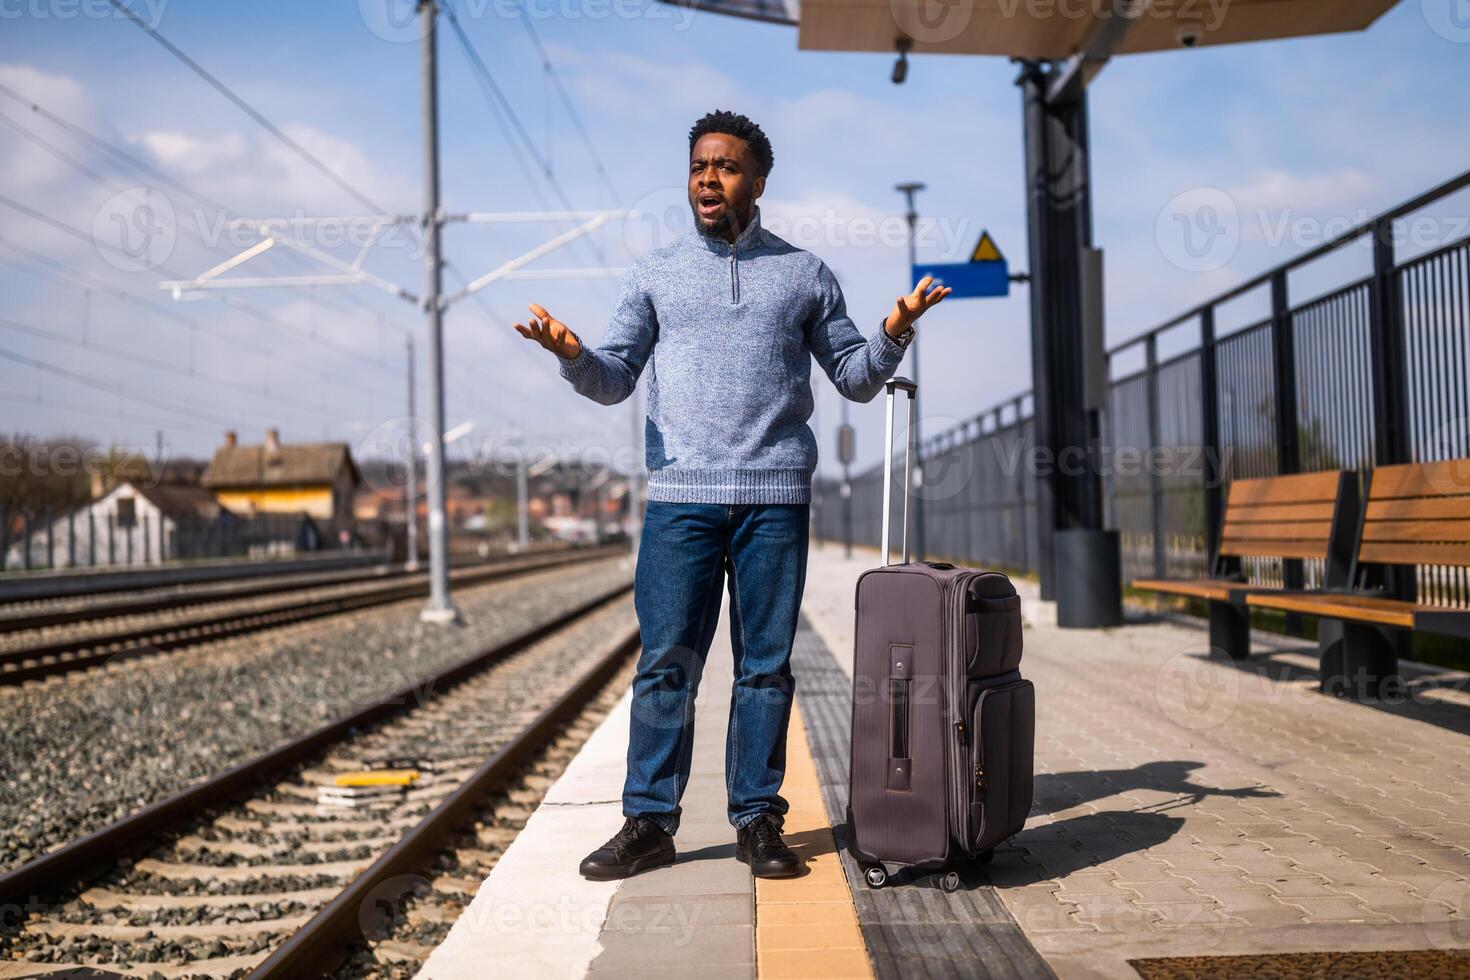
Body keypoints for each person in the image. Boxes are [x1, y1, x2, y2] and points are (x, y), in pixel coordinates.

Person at [514, 109, 950, 880]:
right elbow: (613, 379)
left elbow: (853, 377)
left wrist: (896, 328)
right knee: (665, 667)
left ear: (757, 180)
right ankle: (648, 823)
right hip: (681, 497)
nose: (707, 179)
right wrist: (573, 353)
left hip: (774, 498)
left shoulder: (806, 274)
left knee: (765, 668)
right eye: (696, 167)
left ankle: (757, 820)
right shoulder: (654, 274)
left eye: (724, 167)